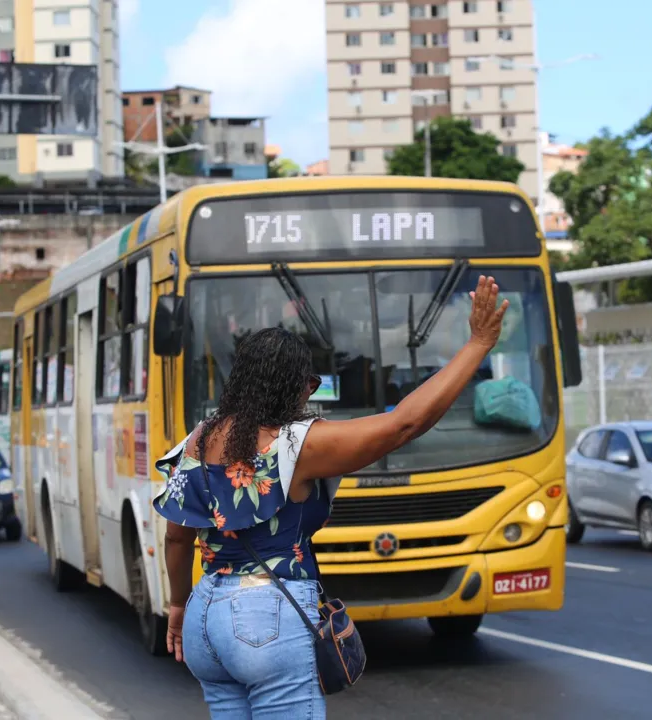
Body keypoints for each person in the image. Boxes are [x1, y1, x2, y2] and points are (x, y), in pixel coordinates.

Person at [157, 275, 509, 717]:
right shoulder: (295, 444)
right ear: (301, 387)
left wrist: (176, 604)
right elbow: (403, 424)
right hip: (264, 619)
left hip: (203, 617)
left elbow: (176, 539)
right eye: (309, 384)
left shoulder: (195, 440)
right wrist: (477, 344)